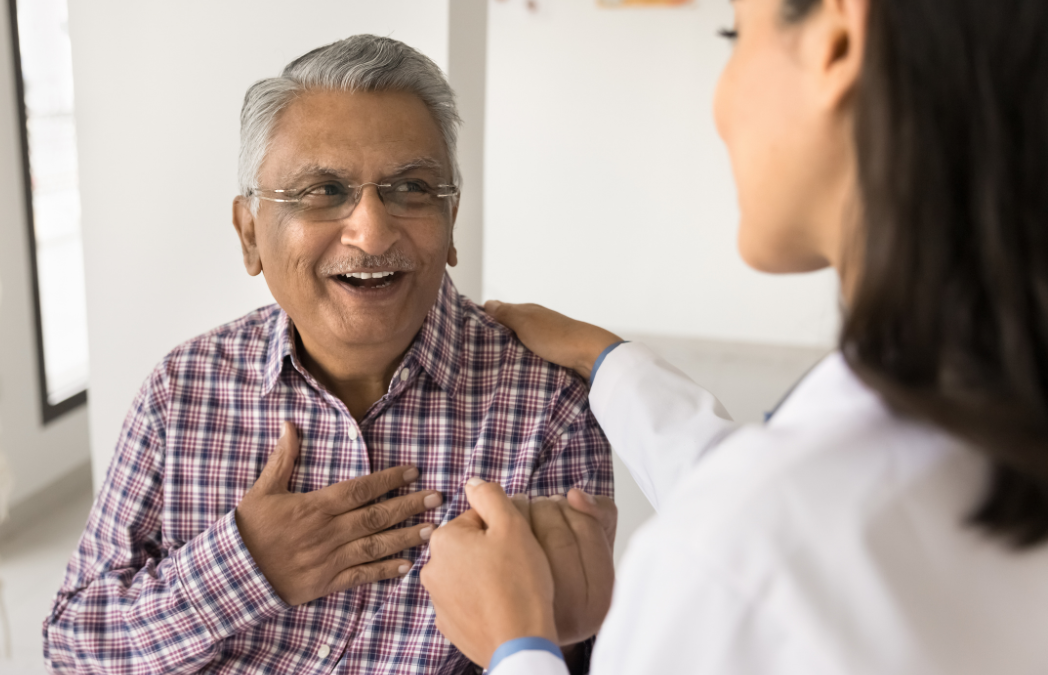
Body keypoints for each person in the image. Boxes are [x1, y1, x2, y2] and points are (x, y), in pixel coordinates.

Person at [420, 0, 1048, 673]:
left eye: (734, 34)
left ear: (835, 42)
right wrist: (607, 361)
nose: (718, 107)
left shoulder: (743, 551)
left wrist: (516, 642)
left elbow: (759, 538)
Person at [42, 36, 613, 675]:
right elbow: (74, 647)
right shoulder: (185, 389)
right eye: (322, 190)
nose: (371, 232)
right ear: (250, 232)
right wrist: (245, 566)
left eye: (412, 188)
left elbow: (565, 651)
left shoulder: (548, 406)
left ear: (452, 220)